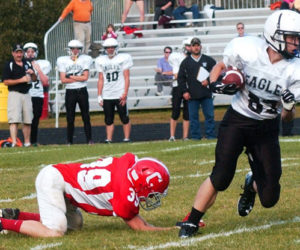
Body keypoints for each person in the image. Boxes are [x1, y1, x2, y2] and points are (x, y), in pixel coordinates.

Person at [177, 10, 300, 238]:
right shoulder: (247, 49)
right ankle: (192, 220)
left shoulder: (295, 69)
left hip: (266, 128)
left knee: (270, 197)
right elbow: (221, 66)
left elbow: (286, 119)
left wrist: (289, 108)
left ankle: (251, 183)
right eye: (292, 37)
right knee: (221, 176)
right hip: (238, 120)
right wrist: (215, 85)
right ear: (275, 35)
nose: (296, 42)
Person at [0, 153, 173, 237]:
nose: (152, 197)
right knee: (55, 231)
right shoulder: (124, 197)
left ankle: (16, 215)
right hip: (54, 179)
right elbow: (141, 227)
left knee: (74, 224)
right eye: (152, 193)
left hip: (63, 180)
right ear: (142, 184)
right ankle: (3, 223)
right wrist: (173, 229)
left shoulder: (127, 163)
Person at [178, 37, 216, 140]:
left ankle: (211, 135)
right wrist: (184, 91)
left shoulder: (208, 60)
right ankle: (195, 137)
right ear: (190, 47)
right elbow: (180, 78)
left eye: (197, 45)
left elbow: (217, 72)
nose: (196, 47)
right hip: (192, 95)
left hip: (206, 93)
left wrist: (208, 80)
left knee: (209, 116)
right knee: (193, 118)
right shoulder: (185, 62)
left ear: (200, 46)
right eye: (194, 46)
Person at [95, 38, 133, 143]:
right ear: (105, 49)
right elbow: (100, 79)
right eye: (108, 48)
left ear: (116, 48)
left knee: (124, 117)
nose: (110, 49)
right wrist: (99, 95)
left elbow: (126, 77)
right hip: (107, 94)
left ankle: (126, 138)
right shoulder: (101, 60)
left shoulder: (123, 58)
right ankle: (109, 139)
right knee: (108, 119)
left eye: (112, 47)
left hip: (119, 93)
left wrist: (125, 93)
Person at [56, 40, 93, 145]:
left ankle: (89, 140)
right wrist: (79, 78)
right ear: (69, 49)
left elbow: (85, 77)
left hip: (82, 90)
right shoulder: (63, 60)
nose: (75, 51)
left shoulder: (85, 59)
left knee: (86, 116)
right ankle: (69, 140)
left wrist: (71, 77)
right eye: (73, 48)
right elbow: (63, 80)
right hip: (70, 91)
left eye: (77, 48)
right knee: (70, 117)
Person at [2, 44, 37, 147]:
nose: (19, 54)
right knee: (14, 119)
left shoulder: (27, 63)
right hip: (15, 94)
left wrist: (33, 73)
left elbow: (34, 79)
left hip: (26, 94)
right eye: (17, 52)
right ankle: (14, 142)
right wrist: (21, 80)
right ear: (13, 53)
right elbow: (6, 81)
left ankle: (27, 142)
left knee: (28, 119)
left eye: (20, 52)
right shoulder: (9, 64)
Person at [23, 42, 52, 146]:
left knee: (35, 119)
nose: (30, 54)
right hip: (26, 94)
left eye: (32, 51)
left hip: (37, 95)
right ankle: (26, 141)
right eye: (28, 51)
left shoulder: (43, 63)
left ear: (36, 53)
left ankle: (33, 141)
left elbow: (45, 82)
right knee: (25, 119)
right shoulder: (20, 64)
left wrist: (38, 69)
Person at [168, 37, 192, 141]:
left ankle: (185, 136)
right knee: (175, 111)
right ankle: (172, 136)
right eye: (188, 46)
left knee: (187, 113)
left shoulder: (194, 59)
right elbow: (177, 75)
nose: (190, 48)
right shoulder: (177, 57)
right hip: (178, 86)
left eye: (191, 46)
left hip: (189, 87)